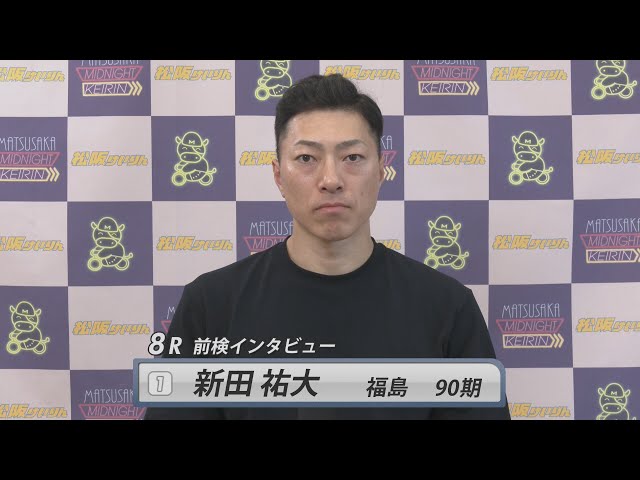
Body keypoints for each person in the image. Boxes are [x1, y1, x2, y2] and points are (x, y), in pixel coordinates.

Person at [144, 74, 510, 420]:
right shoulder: (210, 305)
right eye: (307, 158)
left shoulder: (447, 308)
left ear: (381, 170)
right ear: (278, 175)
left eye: (352, 157)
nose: (331, 179)